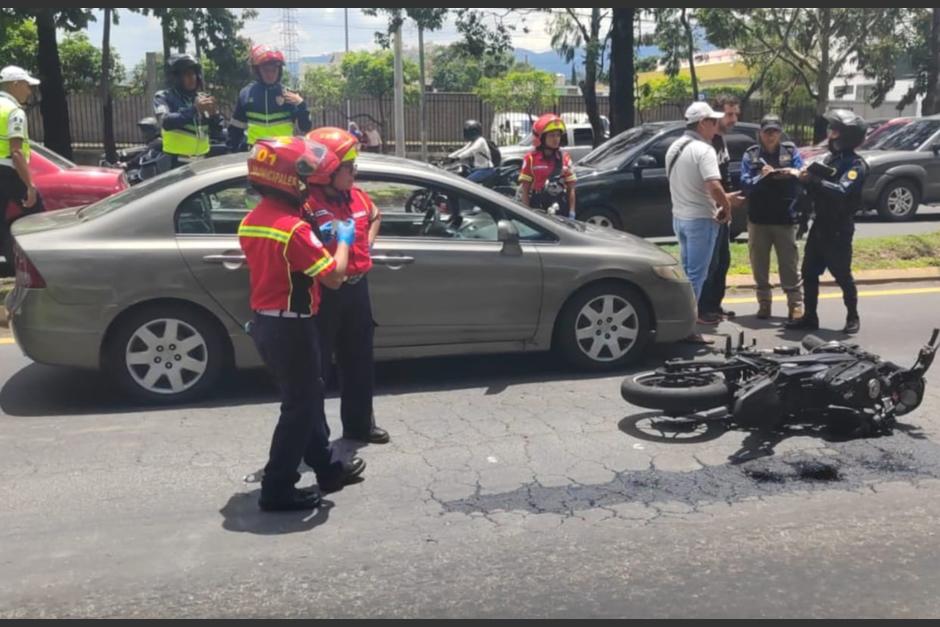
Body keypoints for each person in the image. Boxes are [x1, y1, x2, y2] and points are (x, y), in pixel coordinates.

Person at [238, 136, 366, 512]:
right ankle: (277, 487)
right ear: (285, 180)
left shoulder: (254, 220)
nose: (308, 182)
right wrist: (344, 239)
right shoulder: (293, 230)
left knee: (306, 398)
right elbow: (334, 277)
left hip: (267, 322)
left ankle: (327, 469)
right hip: (292, 326)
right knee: (299, 406)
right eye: (302, 175)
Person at [304, 127, 389, 445]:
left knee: (359, 360)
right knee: (317, 368)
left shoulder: (356, 196)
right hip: (322, 293)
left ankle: (359, 425)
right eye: (348, 166)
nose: (355, 171)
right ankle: (314, 439)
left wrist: (364, 244)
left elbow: (375, 214)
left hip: (356, 290)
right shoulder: (308, 205)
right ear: (327, 170)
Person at [666, 101, 745, 344]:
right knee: (697, 276)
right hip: (701, 220)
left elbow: (692, 185)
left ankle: (680, 321)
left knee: (688, 274)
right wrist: (726, 205)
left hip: (680, 217)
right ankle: (688, 328)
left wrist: (721, 198)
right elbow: (713, 185)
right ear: (702, 123)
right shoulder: (704, 150)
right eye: (713, 121)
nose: (716, 126)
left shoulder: (674, 147)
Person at [787, 109, 868, 334]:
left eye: (834, 131)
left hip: (839, 228)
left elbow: (841, 191)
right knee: (809, 272)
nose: (829, 134)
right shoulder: (829, 159)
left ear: (846, 136)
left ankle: (852, 316)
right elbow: (814, 190)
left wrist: (814, 181)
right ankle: (810, 317)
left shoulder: (855, 166)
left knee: (842, 273)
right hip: (820, 224)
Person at [740, 114, 805, 321]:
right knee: (759, 264)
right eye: (767, 132)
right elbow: (745, 182)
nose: (771, 136)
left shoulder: (790, 151)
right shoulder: (751, 156)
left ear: (780, 133)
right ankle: (764, 303)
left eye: (774, 132)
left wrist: (789, 173)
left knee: (789, 264)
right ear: (760, 133)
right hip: (759, 219)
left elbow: (801, 175)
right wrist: (763, 176)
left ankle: (795, 304)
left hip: (785, 218)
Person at [697, 94, 739, 325]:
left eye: (736, 114)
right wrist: (724, 201)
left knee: (723, 260)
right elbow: (709, 181)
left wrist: (730, 201)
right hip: (710, 211)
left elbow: (724, 177)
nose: (734, 119)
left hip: (723, 210)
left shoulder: (720, 140)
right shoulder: (706, 144)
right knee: (709, 263)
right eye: (729, 114)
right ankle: (702, 309)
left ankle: (714, 305)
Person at [228, 44, 312, 152]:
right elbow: (235, 130)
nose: (270, 74)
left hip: (284, 153)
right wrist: (232, 154)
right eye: (266, 70)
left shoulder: (289, 96)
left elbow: (305, 128)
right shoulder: (246, 94)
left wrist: (301, 105)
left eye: (274, 70)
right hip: (256, 154)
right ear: (257, 70)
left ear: (280, 70)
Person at [0, 65, 43, 267]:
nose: (29, 91)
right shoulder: (14, 111)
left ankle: (12, 267)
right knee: (38, 220)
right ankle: (39, 267)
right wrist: (30, 186)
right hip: (9, 171)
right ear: (15, 84)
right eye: (27, 85)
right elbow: (16, 152)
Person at [153, 54, 224, 164]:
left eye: (194, 74)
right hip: (175, 163)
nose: (192, 78)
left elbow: (217, 131)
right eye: (187, 74)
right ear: (176, 78)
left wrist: (215, 116)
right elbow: (166, 122)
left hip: (201, 163)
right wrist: (194, 109)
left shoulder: (202, 98)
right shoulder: (163, 97)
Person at [518, 113, 577, 219]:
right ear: (541, 138)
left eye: (558, 135)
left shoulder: (565, 158)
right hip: (537, 209)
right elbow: (525, 189)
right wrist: (525, 214)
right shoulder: (530, 158)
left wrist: (572, 212)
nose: (556, 139)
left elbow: (571, 188)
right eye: (551, 135)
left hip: (560, 210)